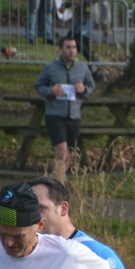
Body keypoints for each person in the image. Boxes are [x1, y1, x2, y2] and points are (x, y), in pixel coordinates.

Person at [33, 35, 96, 179]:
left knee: (69, 154)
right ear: (60, 50)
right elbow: (38, 85)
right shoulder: (51, 67)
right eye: (68, 47)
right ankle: (58, 185)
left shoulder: (82, 68)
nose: (71, 50)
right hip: (55, 115)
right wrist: (51, 91)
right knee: (61, 151)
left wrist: (83, 90)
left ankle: (59, 181)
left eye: (74, 47)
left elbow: (91, 86)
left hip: (74, 115)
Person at [66, 0, 107, 81]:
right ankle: (92, 65)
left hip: (90, 15)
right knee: (74, 38)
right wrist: (66, 4)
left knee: (77, 38)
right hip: (80, 15)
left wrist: (84, 2)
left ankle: (93, 62)